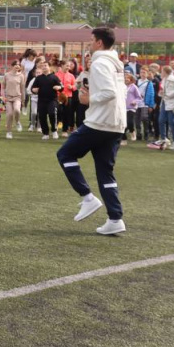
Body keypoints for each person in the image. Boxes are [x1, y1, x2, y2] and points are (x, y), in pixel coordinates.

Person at [56, 26, 127, 235]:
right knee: (105, 172)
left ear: (99, 43)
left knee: (65, 154)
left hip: (100, 122)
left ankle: (87, 197)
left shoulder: (102, 63)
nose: (89, 43)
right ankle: (115, 218)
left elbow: (109, 93)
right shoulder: (115, 64)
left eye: (91, 39)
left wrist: (89, 99)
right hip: (115, 124)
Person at [31, 61, 63, 140]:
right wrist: (34, 90)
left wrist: (59, 87)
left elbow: (61, 87)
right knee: (42, 117)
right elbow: (33, 88)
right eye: (43, 66)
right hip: (41, 100)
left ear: (49, 67)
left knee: (52, 113)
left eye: (46, 65)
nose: (44, 67)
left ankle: (54, 130)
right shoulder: (38, 78)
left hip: (52, 100)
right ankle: (45, 133)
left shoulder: (54, 77)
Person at [3, 61, 24, 139]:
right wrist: (3, 96)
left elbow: (22, 89)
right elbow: (3, 87)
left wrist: (23, 99)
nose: (17, 66)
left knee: (17, 110)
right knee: (9, 115)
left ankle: (17, 122)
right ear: (12, 66)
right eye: (15, 64)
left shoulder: (21, 76)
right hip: (8, 98)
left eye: (18, 65)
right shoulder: (6, 75)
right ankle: (9, 132)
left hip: (17, 97)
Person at [124, 73, 141, 144]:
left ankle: (132, 131)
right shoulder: (122, 86)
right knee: (123, 124)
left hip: (131, 107)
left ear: (131, 79)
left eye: (128, 78)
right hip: (123, 107)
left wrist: (134, 101)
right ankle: (123, 139)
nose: (126, 79)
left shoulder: (134, 87)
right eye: (125, 78)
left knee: (129, 122)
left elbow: (139, 97)